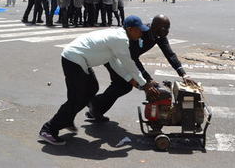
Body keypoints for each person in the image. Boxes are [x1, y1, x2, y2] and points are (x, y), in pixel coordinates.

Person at [38, 16, 157, 146]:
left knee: (92, 89)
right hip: (73, 59)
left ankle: (66, 119)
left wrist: (131, 80)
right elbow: (129, 64)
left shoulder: (118, 36)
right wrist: (144, 84)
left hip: (79, 60)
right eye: (139, 30)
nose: (141, 33)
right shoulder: (121, 39)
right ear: (131, 29)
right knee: (77, 98)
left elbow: (114, 63)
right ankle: (49, 129)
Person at [88, 14, 195, 122]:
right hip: (114, 57)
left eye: (168, 28)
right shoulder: (139, 32)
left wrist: (183, 74)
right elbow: (133, 59)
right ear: (155, 27)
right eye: (164, 28)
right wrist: (148, 80)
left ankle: (95, 107)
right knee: (122, 85)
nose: (167, 31)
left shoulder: (159, 36)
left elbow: (170, 54)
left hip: (126, 58)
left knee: (122, 86)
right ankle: (95, 105)